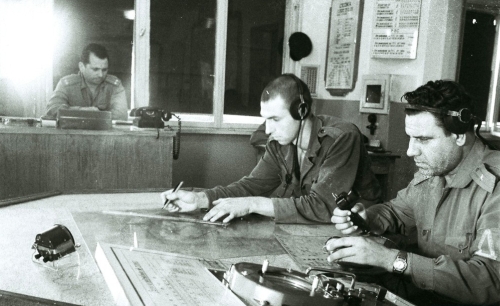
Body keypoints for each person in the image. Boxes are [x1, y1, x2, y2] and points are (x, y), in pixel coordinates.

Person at [326, 80, 500, 305]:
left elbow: (491, 281)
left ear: (459, 135)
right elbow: (397, 212)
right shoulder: (435, 171)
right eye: (410, 137)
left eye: (423, 139)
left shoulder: (494, 187)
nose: (410, 151)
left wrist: (391, 260)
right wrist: (367, 216)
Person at [161, 74, 381, 224]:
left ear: (302, 111)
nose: (267, 129)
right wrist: (200, 199)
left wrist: (252, 205)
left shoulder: (341, 138)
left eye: (275, 118)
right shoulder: (280, 142)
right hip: (315, 228)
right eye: (265, 119)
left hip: (359, 230)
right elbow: (252, 186)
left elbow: (322, 206)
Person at [45, 43, 128, 120]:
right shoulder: (66, 85)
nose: (100, 75)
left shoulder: (114, 86)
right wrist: (84, 111)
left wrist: (73, 112)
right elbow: (52, 110)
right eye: (95, 69)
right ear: (81, 66)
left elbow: (121, 116)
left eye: (104, 70)